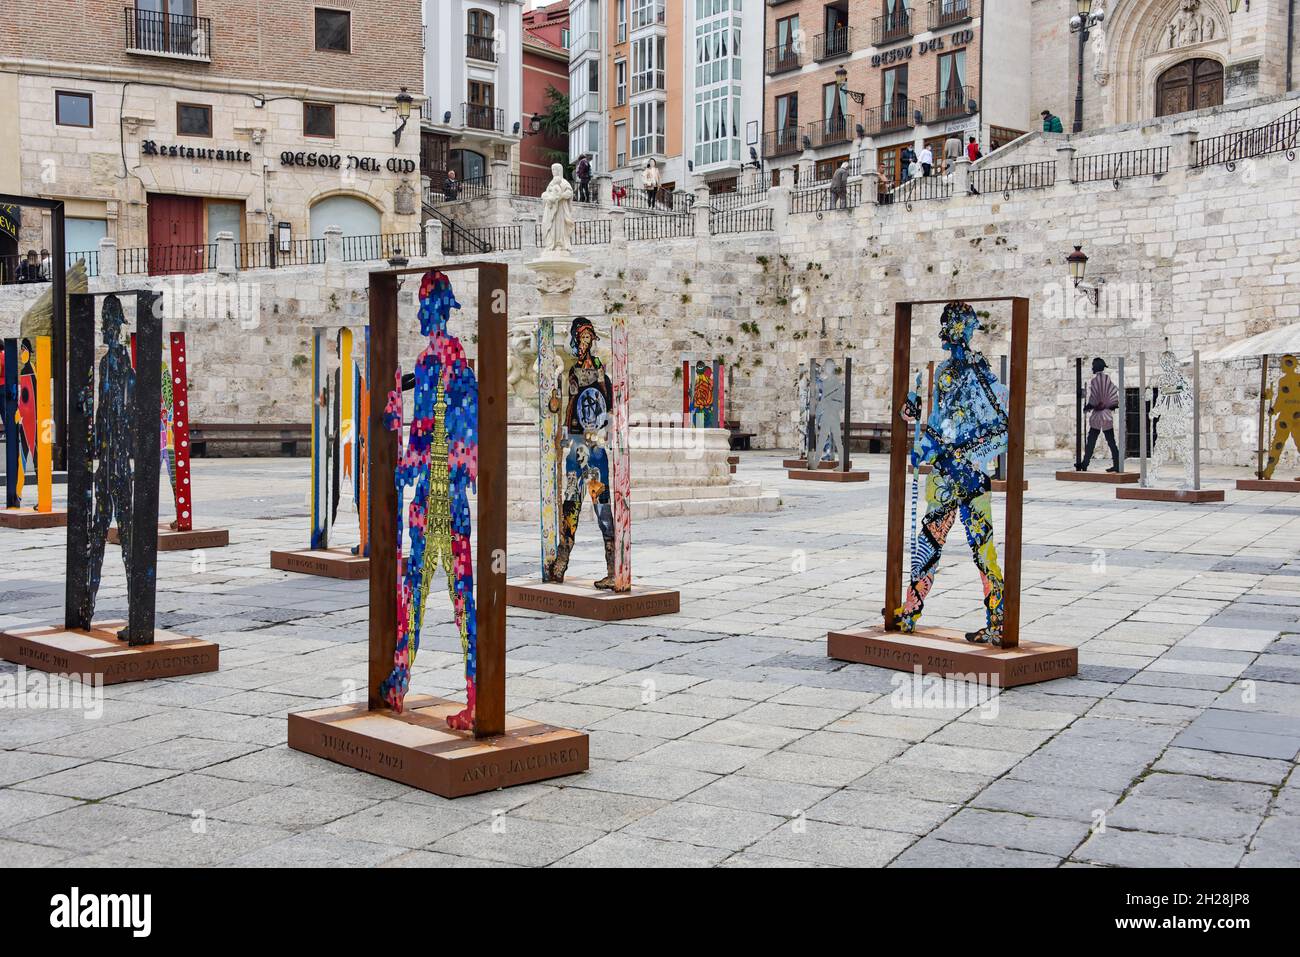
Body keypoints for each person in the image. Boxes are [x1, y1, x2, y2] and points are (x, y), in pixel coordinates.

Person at [897, 302, 1008, 646]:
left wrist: (967, 449)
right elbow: (937, 420)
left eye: (956, 326)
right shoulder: (941, 372)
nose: (951, 334)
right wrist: (911, 414)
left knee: (983, 549)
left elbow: (1001, 422)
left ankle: (998, 621)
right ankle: (911, 612)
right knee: (929, 543)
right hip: (945, 474)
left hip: (970, 475)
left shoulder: (980, 371)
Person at [545, 316, 621, 591]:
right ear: (577, 341)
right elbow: (568, 404)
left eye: (590, 337)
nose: (586, 342)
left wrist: (609, 433)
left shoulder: (601, 372)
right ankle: (561, 564)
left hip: (596, 443)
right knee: (571, 502)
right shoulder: (571, 373)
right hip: (577, 442)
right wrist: (563, 430)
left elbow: (607, 404)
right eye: (582, 337)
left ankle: (613, 569)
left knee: (602, 506)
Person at [1076, 357, 1122, 473]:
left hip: (1097, 416)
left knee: (1091, 440)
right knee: (1111, 441)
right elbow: (1113, 400)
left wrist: (1087, 407)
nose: (1092, 367)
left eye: (1092, 365)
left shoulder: (1095, 381)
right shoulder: (1108, 379)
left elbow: (1093, 398)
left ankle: (1085, 463)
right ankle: (1117, 464)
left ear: (1096, 367)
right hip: (1107, 415)